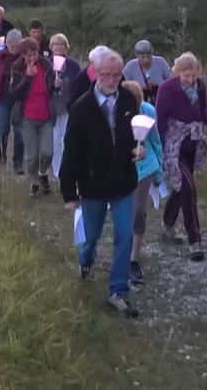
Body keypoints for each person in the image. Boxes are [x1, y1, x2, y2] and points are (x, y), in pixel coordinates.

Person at [59, 47, 147, 319]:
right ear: (95, 73)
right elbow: (71, 151)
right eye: (105, 74)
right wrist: (69, 193)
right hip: (92, 185)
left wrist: (138, 150)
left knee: (124, 234)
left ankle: (118, 291)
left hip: (122, 183)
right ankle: (86, 261)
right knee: (92, 235)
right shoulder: (81, 107)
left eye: (116, 75)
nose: (111, 80)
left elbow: (133, 136)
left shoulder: (129, 102)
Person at [154, 52, 207, 260]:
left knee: (182, 188)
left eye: (193, 75)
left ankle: (168, 224)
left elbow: (202, 107)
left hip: (193, 142)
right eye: (186, 75)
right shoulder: (167, 88)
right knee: (190, 188)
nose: (190, 80)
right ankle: (194, 241)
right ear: (177, 72)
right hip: (174, 143)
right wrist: (157, 149)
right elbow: (159, 118)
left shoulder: (200, 85)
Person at [122, 79, 163, 288]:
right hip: (121, 167)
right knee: (124, 210)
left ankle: (133, 260)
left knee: (138, 210)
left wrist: (159, 171)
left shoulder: (148, 111)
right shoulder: (115, 112)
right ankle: (120, 252)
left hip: (145, 168)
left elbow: (155, 141)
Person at [8, 37, 57, 197]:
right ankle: (34, 182)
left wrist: (57, 86)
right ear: (22, 55)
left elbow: (52, 91)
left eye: (34, 54)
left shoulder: (46, 65)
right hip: (27, 117)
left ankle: (43, 173)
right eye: (28, 55)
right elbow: (15, 94)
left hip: (46, 116)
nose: (32, 58)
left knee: (48, 152)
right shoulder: (17, 68)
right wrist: (27, 77)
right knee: (32, 156)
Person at [0, 29, 25, 169]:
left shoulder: (24, 57)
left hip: (20, 98)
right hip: (2, 96)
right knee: (3, 128)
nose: (15, 48)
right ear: (7, 43)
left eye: (17, 45)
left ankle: (18, 162)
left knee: (19, 130)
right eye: (12, 45)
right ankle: (2, 150)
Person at [49, 34, 83, 179]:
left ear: (66, 47)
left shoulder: (73, 65)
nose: (58, 47)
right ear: (51, 47)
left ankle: (68, 169)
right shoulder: (45, 64)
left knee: (67, 140)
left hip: (68, 107)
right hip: (51, 108)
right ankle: (56, 170)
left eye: (61, 44)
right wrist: (53, 85)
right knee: (54, 140)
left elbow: (79, 86)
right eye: (55, 44)